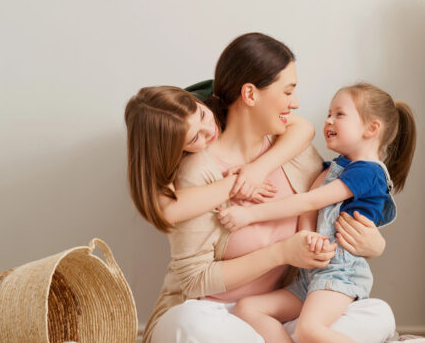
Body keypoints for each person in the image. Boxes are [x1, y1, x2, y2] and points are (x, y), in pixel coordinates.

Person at [133, 33, 396, 343]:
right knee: (187, 325)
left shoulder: (294, 151)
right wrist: (282, 252)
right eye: (287, 91)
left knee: (378, 314)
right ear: (250, 94)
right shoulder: (199, 171)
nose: (297, 101)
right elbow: (194, 281)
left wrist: (375, 243)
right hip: (218, 314)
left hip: (277, 312)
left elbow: (333, 209)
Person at [217, 83, 416, 343]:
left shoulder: (369, 172)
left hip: (340, 274)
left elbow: (310, 201)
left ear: (371, 128)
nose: (328, 121)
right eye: (328, 114)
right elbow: (308, 211)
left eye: (339, 115)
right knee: (248, 307)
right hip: (310, 275)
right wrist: (307, 238)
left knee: (309, 330)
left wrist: (249, 214)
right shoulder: (337, 167)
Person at [124, 85, 315, 233]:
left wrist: (257, 170)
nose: (209, 130)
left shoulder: (220, 97)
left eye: (202, 115)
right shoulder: (163, 152)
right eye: (195, 138)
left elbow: (303, 128)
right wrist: (237, 184)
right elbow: (167, 211)